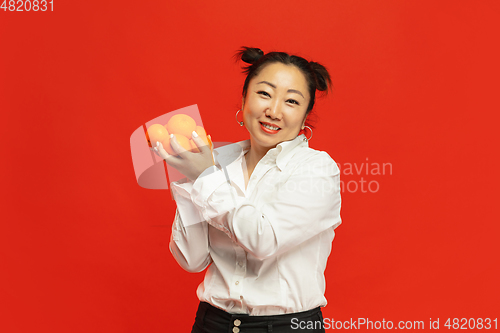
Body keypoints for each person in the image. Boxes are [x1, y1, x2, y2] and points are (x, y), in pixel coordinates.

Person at [153, 47, 342, 333]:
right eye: (264, 94)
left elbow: (263, 239)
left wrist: (205, 177)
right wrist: (192, 178)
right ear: (243, 101)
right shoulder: (219, 163)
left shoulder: (317, 169)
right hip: (211, 324)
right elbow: (191, 260)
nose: (274, 111)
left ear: (305, 117)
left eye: (291, 101)